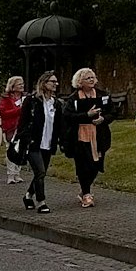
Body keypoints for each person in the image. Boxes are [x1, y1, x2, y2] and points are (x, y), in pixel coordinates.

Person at [15, 71, 64, 213]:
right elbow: (23, 122)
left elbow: (58, 125)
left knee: (40, 173)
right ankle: (41, 202)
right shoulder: (32, 101)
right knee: (40, 171)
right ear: (43, 83)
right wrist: (24, 138)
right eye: (52, 82)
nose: (55, 84)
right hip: (33, 143)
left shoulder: (56, 103)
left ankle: (28, 195)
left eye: (56, 82)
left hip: (48, 143)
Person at [64, 68, 113, 208]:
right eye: (88, 78)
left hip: (99, 135)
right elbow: (67, 116)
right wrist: (87, 115)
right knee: (83, 165)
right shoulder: (73, 98)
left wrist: (103, 119)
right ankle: (86, 194)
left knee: (96, 165)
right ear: (80, 81)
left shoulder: (103, 95)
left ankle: (84, 190)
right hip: (80, 136)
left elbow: (112, 112)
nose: (92, 80)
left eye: (93, 77)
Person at [0, 76, 26, 186]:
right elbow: (3, 112)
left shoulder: (25, 98)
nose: (22, 86)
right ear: (12, 86)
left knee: (21, 150)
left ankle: (17, 173)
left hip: (22, 127)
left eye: (22, 84)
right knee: (10, 149)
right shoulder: (6, 99)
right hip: (10, 127)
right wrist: (18, 110)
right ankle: (10, 174)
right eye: (19, 84)